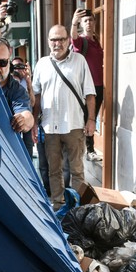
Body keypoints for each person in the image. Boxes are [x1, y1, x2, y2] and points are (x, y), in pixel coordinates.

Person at [32, 25, 96, 210]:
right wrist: (35, 123)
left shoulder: (79, 60)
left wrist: (91, 120)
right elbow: (36, 96)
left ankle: (77, 207)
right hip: (50, 126)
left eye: (61, 39)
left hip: (74, 125)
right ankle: (58, 205)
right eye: (53, 39)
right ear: (48, 41)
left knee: (77, 170)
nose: (57, 43)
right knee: (54, 170)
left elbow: (90, 93)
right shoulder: (42, 64)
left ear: (69, 40)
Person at [71, 8, 104, 162]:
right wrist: (73, 22)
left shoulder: (96, 41)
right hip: (86, 87)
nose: (89, 23)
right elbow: (73, 37)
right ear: (82, 24)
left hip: (99, 85)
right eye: (85, 21)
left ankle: (87, 147)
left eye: (91, 20)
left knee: (93, 117)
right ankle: (88, 150)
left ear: (94, 22)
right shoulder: (81, 41)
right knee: (87, 118)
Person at [0, 39, 34, 134]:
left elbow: (26, 114)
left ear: (8, 63)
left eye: (2, 62)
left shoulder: (17, 90)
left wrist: (23, 119)